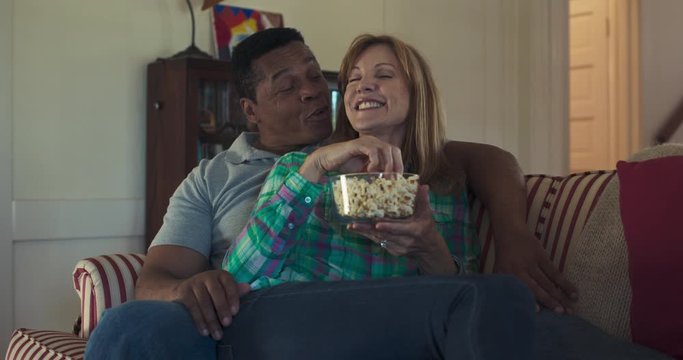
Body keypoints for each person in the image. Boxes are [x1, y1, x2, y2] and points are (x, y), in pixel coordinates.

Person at [86, 28, 663, 360]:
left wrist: (434, 243)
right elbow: (206, 275)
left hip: (390, 323)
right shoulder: (271, 171)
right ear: (250, 110)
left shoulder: (436, 176)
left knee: (506, 307)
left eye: (318, 75)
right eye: (290, 86)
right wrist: (193, 285)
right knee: (129, 326)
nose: (321, 91)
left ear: (416, 93)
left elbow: (481, 169)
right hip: (266, 316)